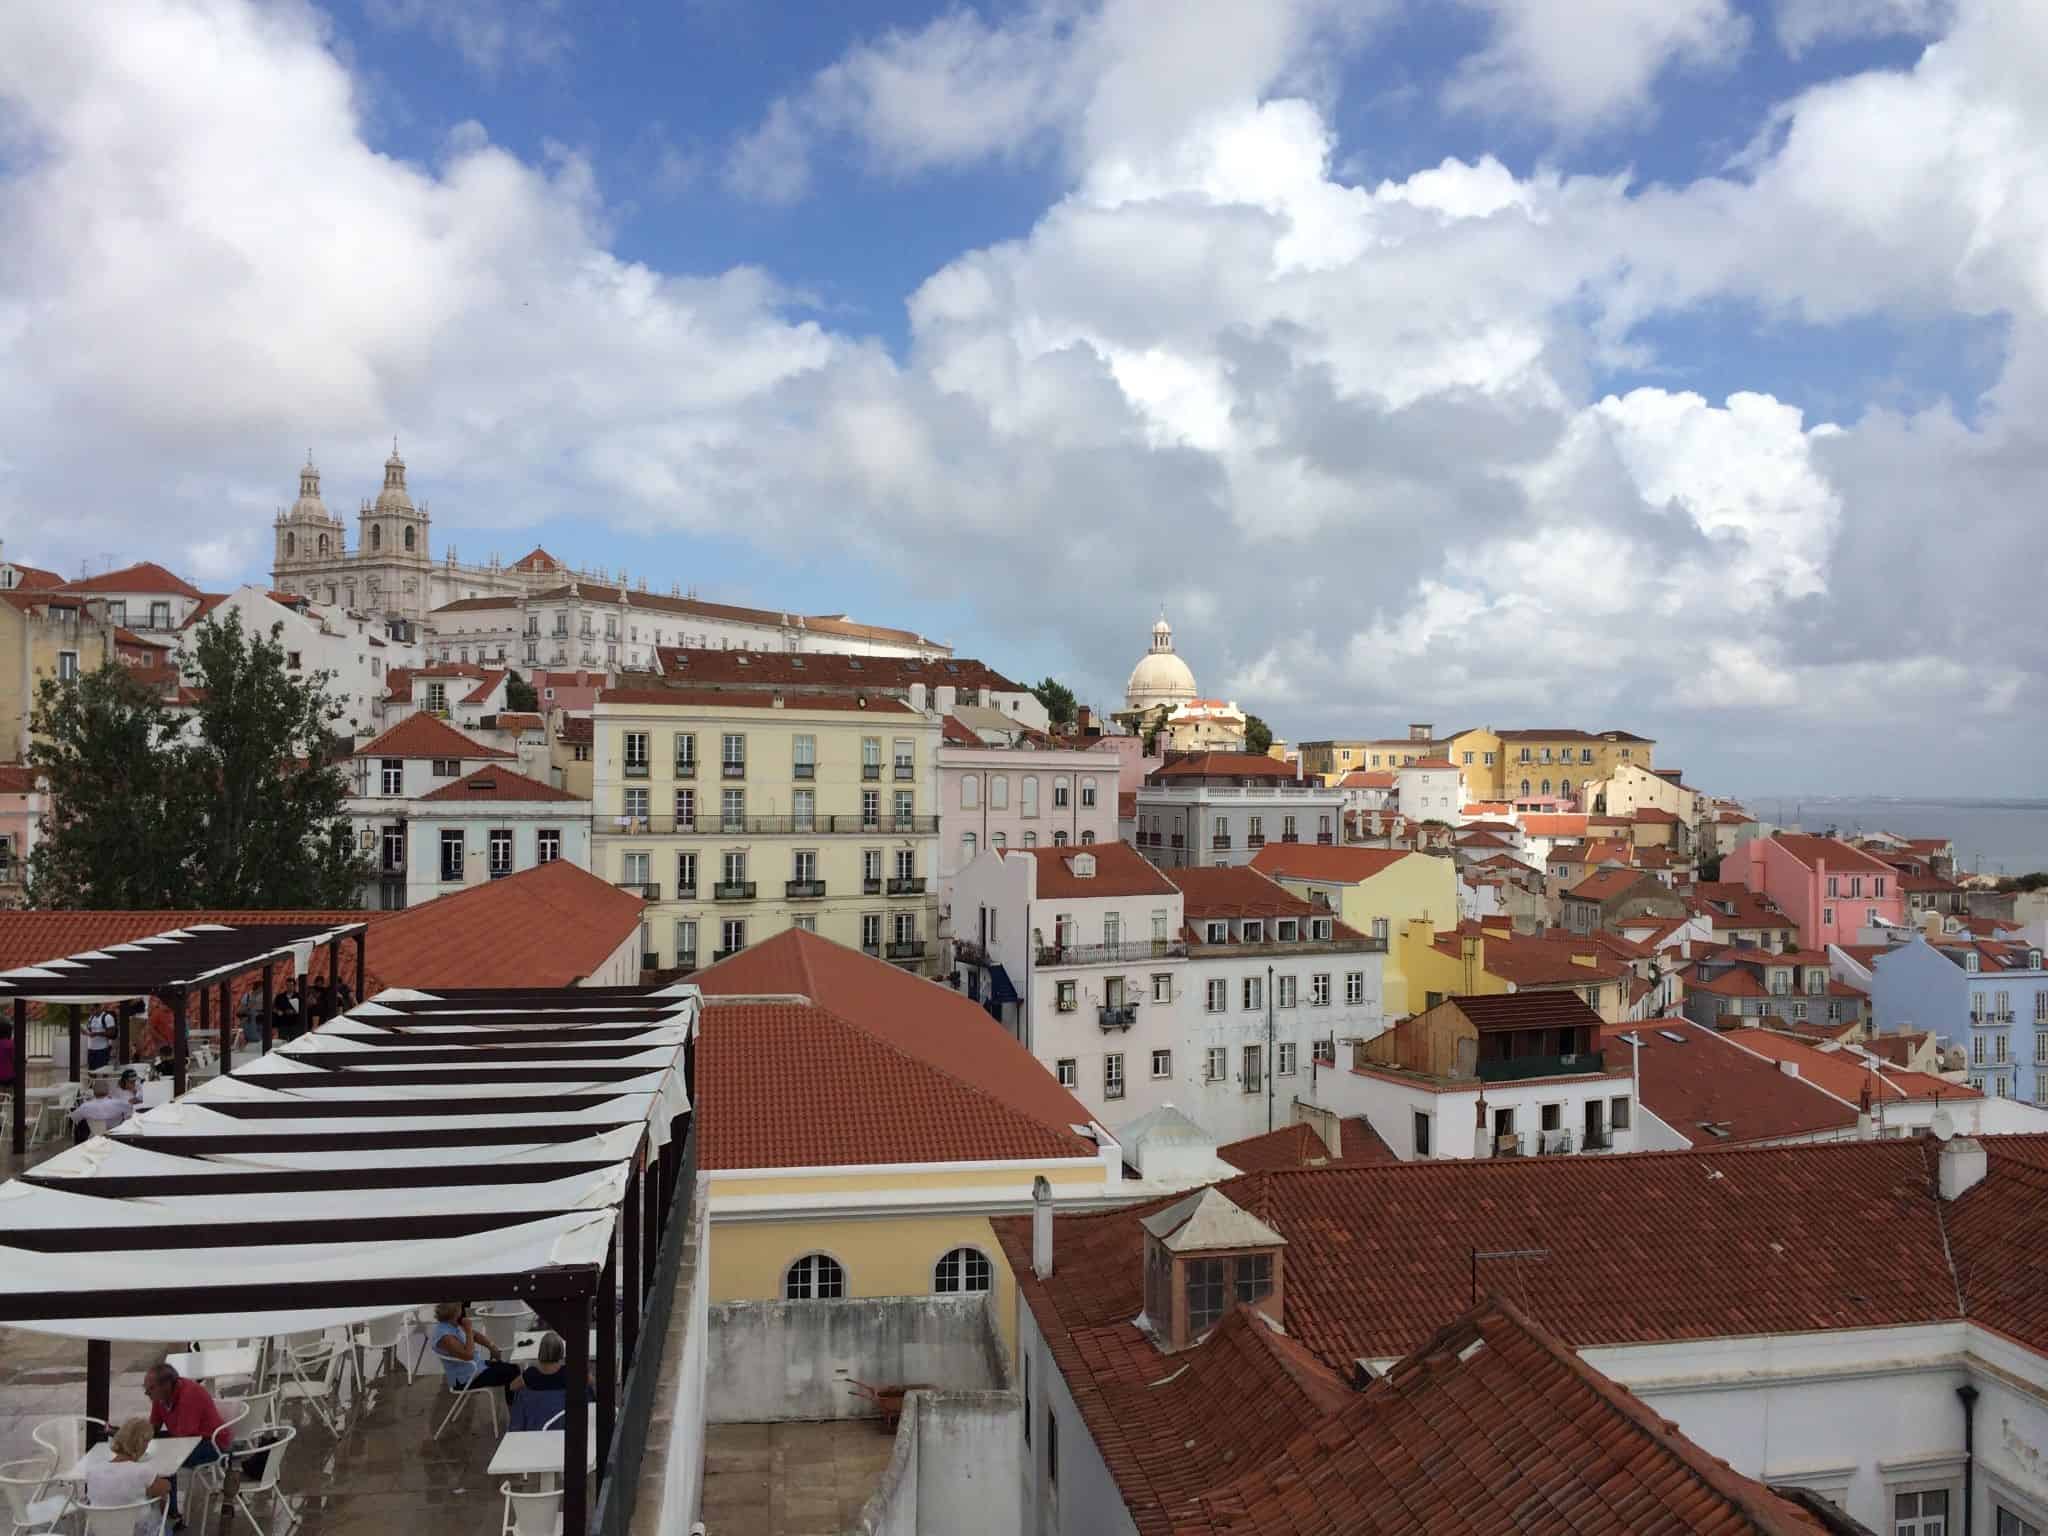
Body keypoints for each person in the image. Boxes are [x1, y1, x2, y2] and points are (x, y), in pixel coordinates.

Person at [143, 1363, 224, 1526]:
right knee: (151, 1452)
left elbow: (183, 1439)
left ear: (166, 1385)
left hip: (211, 1444)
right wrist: (134, 1438)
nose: (146, 1393)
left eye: (150, 1388)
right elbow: (154, 1427)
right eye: (145, 1388)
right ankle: (159, 1507)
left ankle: (170, 1514)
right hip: (187, 1439)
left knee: (164, 1458)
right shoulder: (160, 1397)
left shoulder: (189, 1395)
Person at [83, 1416, 173, 1535]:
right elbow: (166, 1487)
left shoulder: (93, 1471)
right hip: (137, 1532)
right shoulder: (141, 1471)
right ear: (142, 1443)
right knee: (165, 1522)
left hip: (101, 1532)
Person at [429, 1301, 522, 1403]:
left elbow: (475, 1335)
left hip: (476, 1368)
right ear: (456, 1311)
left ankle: (515, 1408)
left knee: (514, 1368)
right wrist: (468, 1330)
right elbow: (468, 1356)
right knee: (513, 1373)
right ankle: (515, 1412)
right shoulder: (445, 1336)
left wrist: (491, 1346)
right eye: (461, 1307)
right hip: (467, 1379)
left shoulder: (451, 1325)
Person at [508, 1331, 595, 1431]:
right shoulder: (570, 1372)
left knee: (520, 1393)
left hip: (537, 1423)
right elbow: (591, 1381)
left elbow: (512, 1386)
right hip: (564, 1421)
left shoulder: (530, 1374)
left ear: (541, 1351)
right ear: (561, 1351)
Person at [84, 1004, 117, 1071]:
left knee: (102, 1071)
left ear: (99, 1008)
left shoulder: (107, 1017)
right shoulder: (91, 1017)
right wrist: (85, 1032)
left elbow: (112, 1032)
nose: (91, 1012)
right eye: (90, 1010)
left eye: (93, 1010)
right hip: (91, 1049)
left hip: (102, 1050)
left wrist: (96, 1034)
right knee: (91, 1071)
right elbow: (90, 1030)